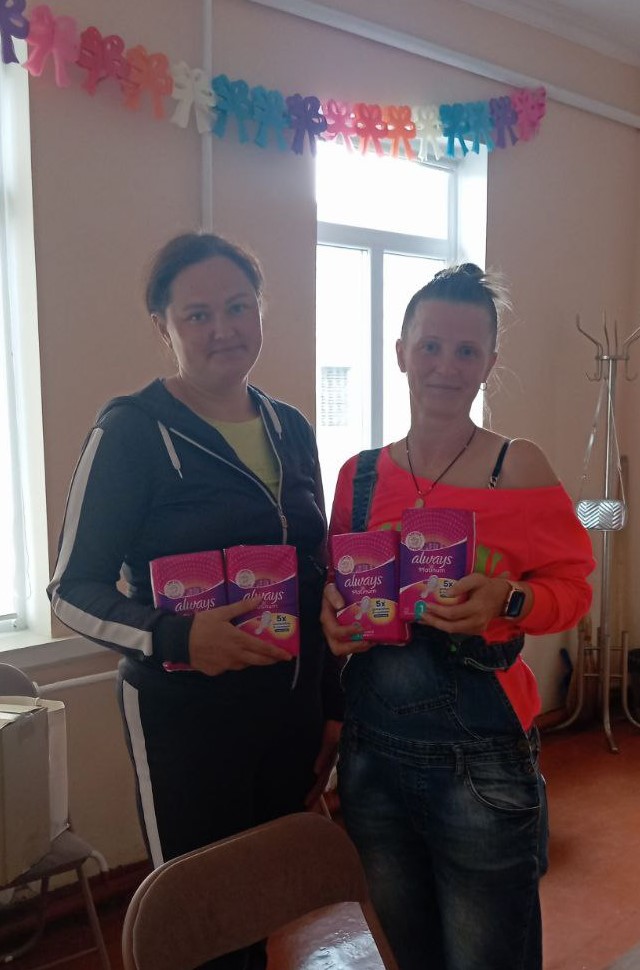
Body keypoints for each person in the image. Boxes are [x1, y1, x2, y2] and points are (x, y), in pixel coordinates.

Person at [48, 232, 343, 970]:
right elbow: (72, 590)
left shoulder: (290, 427)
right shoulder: (131, 431)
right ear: (164, 326)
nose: (223, 329)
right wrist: (177, 637)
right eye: (198, 314)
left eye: (239, 307)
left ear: (261, 311)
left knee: (264, 905)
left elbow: (316, 575)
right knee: (202, 923)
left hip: (290, 715)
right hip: (186, 727)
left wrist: (332, 706)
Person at [321, 264, 594, 970]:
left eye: (467, 350)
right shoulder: (359, 477)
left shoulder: (517, 467)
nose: (446, 366)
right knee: (406, 952)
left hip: (483, 767)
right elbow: (340, 587)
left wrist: (509, 600)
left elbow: (573, 589)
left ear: (490, 363)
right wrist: (332, 614)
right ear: (401, 352)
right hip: (373, 764)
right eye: (431, 346)